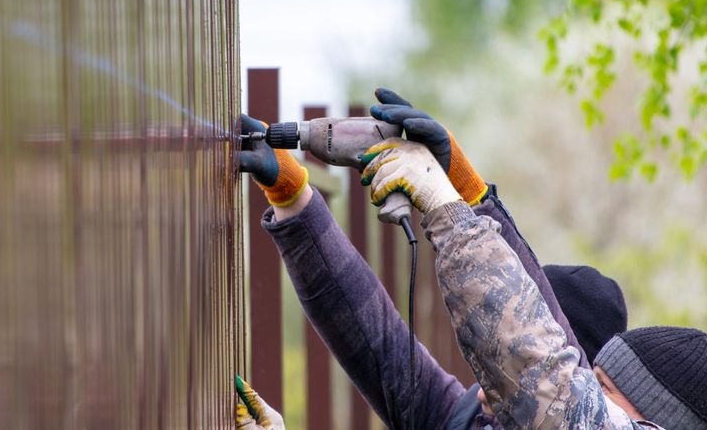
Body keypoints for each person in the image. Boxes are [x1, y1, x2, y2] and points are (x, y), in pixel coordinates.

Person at [238, 89, 706, 428]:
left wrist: (450, 205)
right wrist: (293, 199)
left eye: (599, 388)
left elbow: (535, 372)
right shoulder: (472, 421)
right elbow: (378, 344)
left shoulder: (566, 405)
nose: (487, 382)